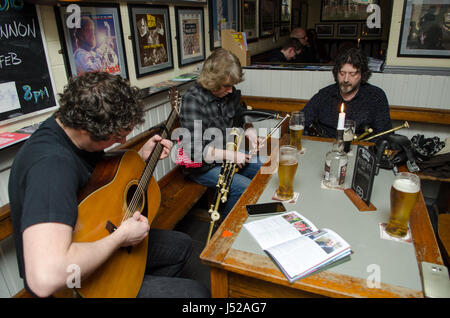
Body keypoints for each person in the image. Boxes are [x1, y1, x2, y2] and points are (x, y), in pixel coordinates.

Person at [8, 72, 210, 298]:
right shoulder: (50, 168)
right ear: (85, 129)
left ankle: (127, 280)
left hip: (95, 239)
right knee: (195, 293)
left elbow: (93, 180)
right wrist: (120, 238)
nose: (123, 141)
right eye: (117, 136)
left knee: (180, 245)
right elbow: (45, 279)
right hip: (72, 285)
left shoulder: (67, 127)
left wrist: (138, 156)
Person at [178, 48, 265, 217]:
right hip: (201, 167)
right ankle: (225, 230)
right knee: (243, 187)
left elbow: (240, 115)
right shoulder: (193, 99)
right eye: (227, 86)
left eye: (233, 85)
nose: (231, 90)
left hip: (226, 155)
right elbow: (194, 151)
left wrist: (250, 132)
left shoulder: (227, 93)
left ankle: (250, 219)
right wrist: (231, 155)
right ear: (212, 81)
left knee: (266, 167)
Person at [303, 48, 392, 138]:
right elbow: (302, 120)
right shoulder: (325, 94)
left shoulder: (375, 96)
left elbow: (384, 135)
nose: (346, 79)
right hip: (325, 146)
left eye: (352, 74)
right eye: (342, 73)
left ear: (362, 74)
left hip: (360, 147)